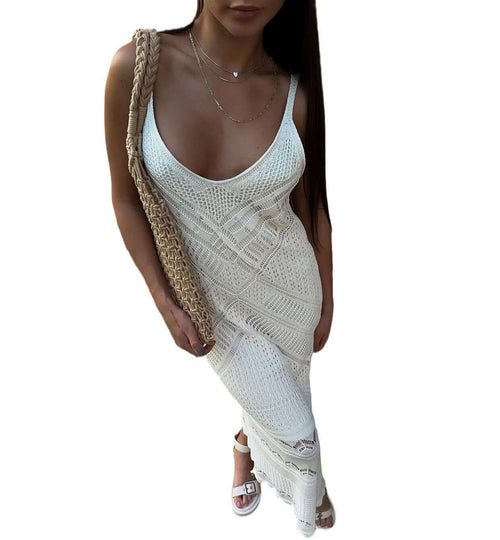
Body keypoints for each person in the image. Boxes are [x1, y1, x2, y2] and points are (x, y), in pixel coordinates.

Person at [104, 0, 335, 535]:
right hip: (211, 303)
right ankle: (312, 485)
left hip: (291, 295)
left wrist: (328, 297)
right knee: (300, 436)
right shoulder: (136, 67)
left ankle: (243, 448)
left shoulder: (295, 91)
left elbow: (313, 208)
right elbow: (125, 198)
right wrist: (164, 301)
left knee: (281, 393)